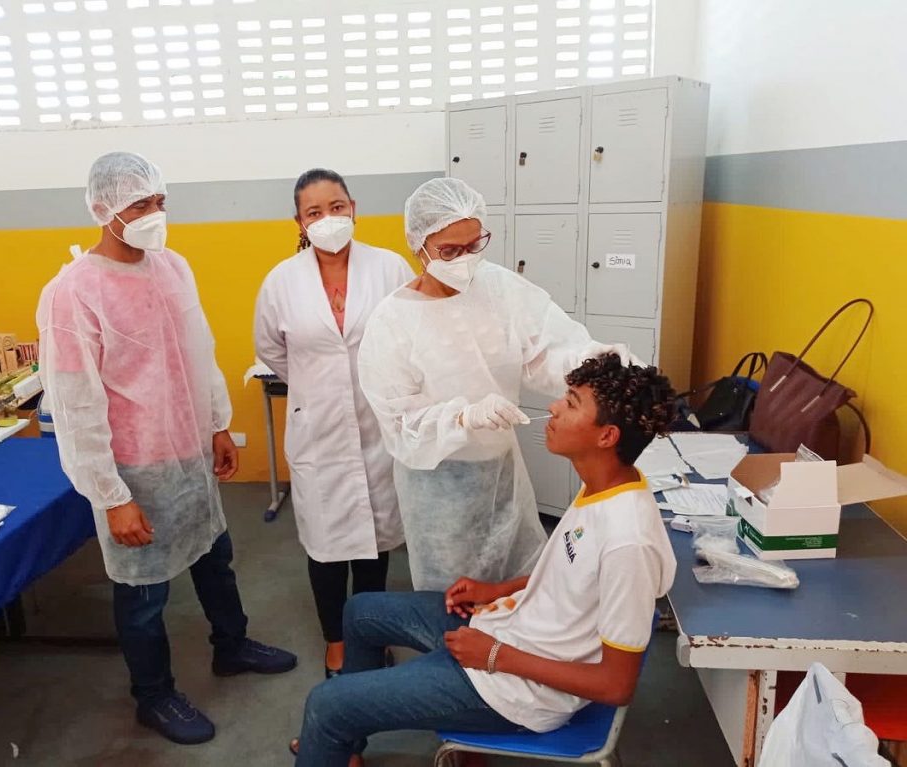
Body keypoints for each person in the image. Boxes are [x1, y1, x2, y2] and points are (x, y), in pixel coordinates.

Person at [291, 354, 678, 766]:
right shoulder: (603, 486)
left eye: (571, 403)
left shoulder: (628, 542)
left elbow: (616, 685)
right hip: (509, 629)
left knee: (325, 705)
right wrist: (498, 591)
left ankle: (333, 730)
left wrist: (495, 655)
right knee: (361, 613)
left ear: (607, 436)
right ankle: (340, 745)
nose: (553, 408)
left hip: (520, 692)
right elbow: (574, 578)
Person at [37, 152, 296, 746]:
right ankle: (153, 696)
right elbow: (76, 403)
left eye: (159, 201)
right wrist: (111, 496)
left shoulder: (173, 267)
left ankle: (231, 646)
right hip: (134, 467)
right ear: (102, 210)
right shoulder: (72, 293)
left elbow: (198, 352)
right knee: (143, 593)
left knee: (215, 555)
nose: (155, 214)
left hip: (190, 452)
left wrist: (217, 425)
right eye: (139, 205)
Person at [357, 177, 637, 592]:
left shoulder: (499, 288)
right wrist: (463, 417)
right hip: (439, 488)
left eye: (474, 245)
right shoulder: (392, 322)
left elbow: (546, 349)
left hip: (504, 474)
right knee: (453, 599)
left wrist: (598, 362)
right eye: (449, 251)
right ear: (418, 247)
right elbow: (400, 423)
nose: (465, 260)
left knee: (520, 582)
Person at [254, 168, 413, 677]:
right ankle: (337, 641)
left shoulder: (389, 268)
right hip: (317, 430)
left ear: (353, 208)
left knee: (374, 542)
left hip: (375, 424)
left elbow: (410, 334)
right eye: (315, 212)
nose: (328, 219)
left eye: (337, 207)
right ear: (299, 222)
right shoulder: (281, 282)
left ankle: (370, 633)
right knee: (325, 546)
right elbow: (270, 349)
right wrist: (317, 385)